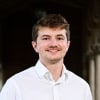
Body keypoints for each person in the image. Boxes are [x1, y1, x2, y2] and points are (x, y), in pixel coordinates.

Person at [0, 14, 92, 100]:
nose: (53, 44)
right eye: (46, 38)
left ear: (67, 45)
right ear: (35, 45)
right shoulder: (15, 86)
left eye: (59, 38)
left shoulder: (82, 87)